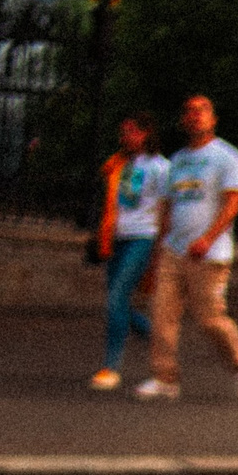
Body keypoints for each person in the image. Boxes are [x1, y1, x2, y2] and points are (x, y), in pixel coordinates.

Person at [136, 95, 238, 401]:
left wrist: (208, 237)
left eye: (202, 110)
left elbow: (233, 203)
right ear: (183, 120)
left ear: (213, 119)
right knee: (163, 314)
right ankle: (164, 378)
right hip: (173, 250)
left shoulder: (227, 157)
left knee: (209, 317)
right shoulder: (176, 162)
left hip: (209, 253)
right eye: (189, 111)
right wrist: (156, 254)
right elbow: (167, 209)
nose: (195, 116)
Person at [90, 114, 168, 391]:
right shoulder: (116, 164)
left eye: (131, 132)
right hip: (116, 236)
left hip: (142, 237)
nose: (125, 137)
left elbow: (164, 208)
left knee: (117, 297)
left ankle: (111, 366)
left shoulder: (159, 167)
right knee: (118, 302)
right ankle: (161, 340)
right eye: (123, 132)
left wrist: (160, 247)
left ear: (146, 134)